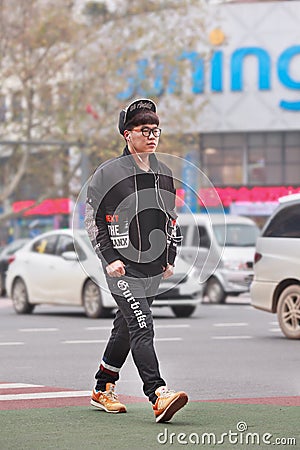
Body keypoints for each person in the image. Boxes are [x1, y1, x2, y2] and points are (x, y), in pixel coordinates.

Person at [85, 98, 188, 423]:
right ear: (127, 134)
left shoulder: (164, 172)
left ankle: (103, 387)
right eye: (145, 130)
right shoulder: (108, 173)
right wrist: (109, 258)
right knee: (142, 325)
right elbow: (93, 219)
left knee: (126, 329)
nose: (152, 136)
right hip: (121, 267)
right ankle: (158, 394)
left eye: (156, 130)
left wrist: (169, 256)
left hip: (152, 268)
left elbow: (171, 218)